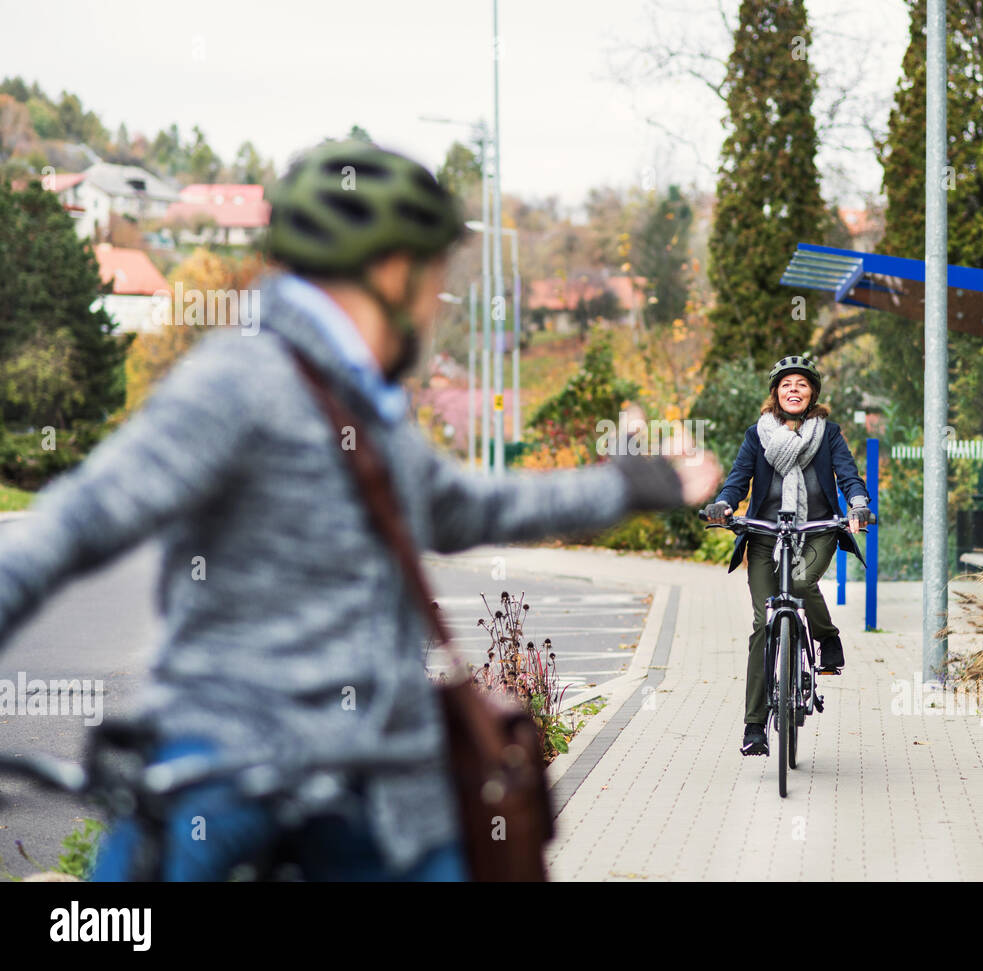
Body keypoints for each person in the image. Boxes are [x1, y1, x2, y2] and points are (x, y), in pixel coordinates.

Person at [0, 139, 720, 880]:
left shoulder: (360, 401)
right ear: (393, 270)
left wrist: (631, 485)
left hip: (378, 781)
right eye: (433, 276)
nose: (433, 302)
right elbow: (72, 522)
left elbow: (460, 506)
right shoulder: (239, 378)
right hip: (231, 763)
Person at [703, 356, 871, 757]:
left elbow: (848, 476)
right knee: (764, 622)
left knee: (798, 582)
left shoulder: (828, 434)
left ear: (812, 392)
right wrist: (724, 504)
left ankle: (826, 636)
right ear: (776, 394)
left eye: (801, 384)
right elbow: (737, 479)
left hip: (816, 529)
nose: (793, 390)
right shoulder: (756, 435)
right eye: (785, 385)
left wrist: (859, 504)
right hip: (764, 533)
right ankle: (755, 726)